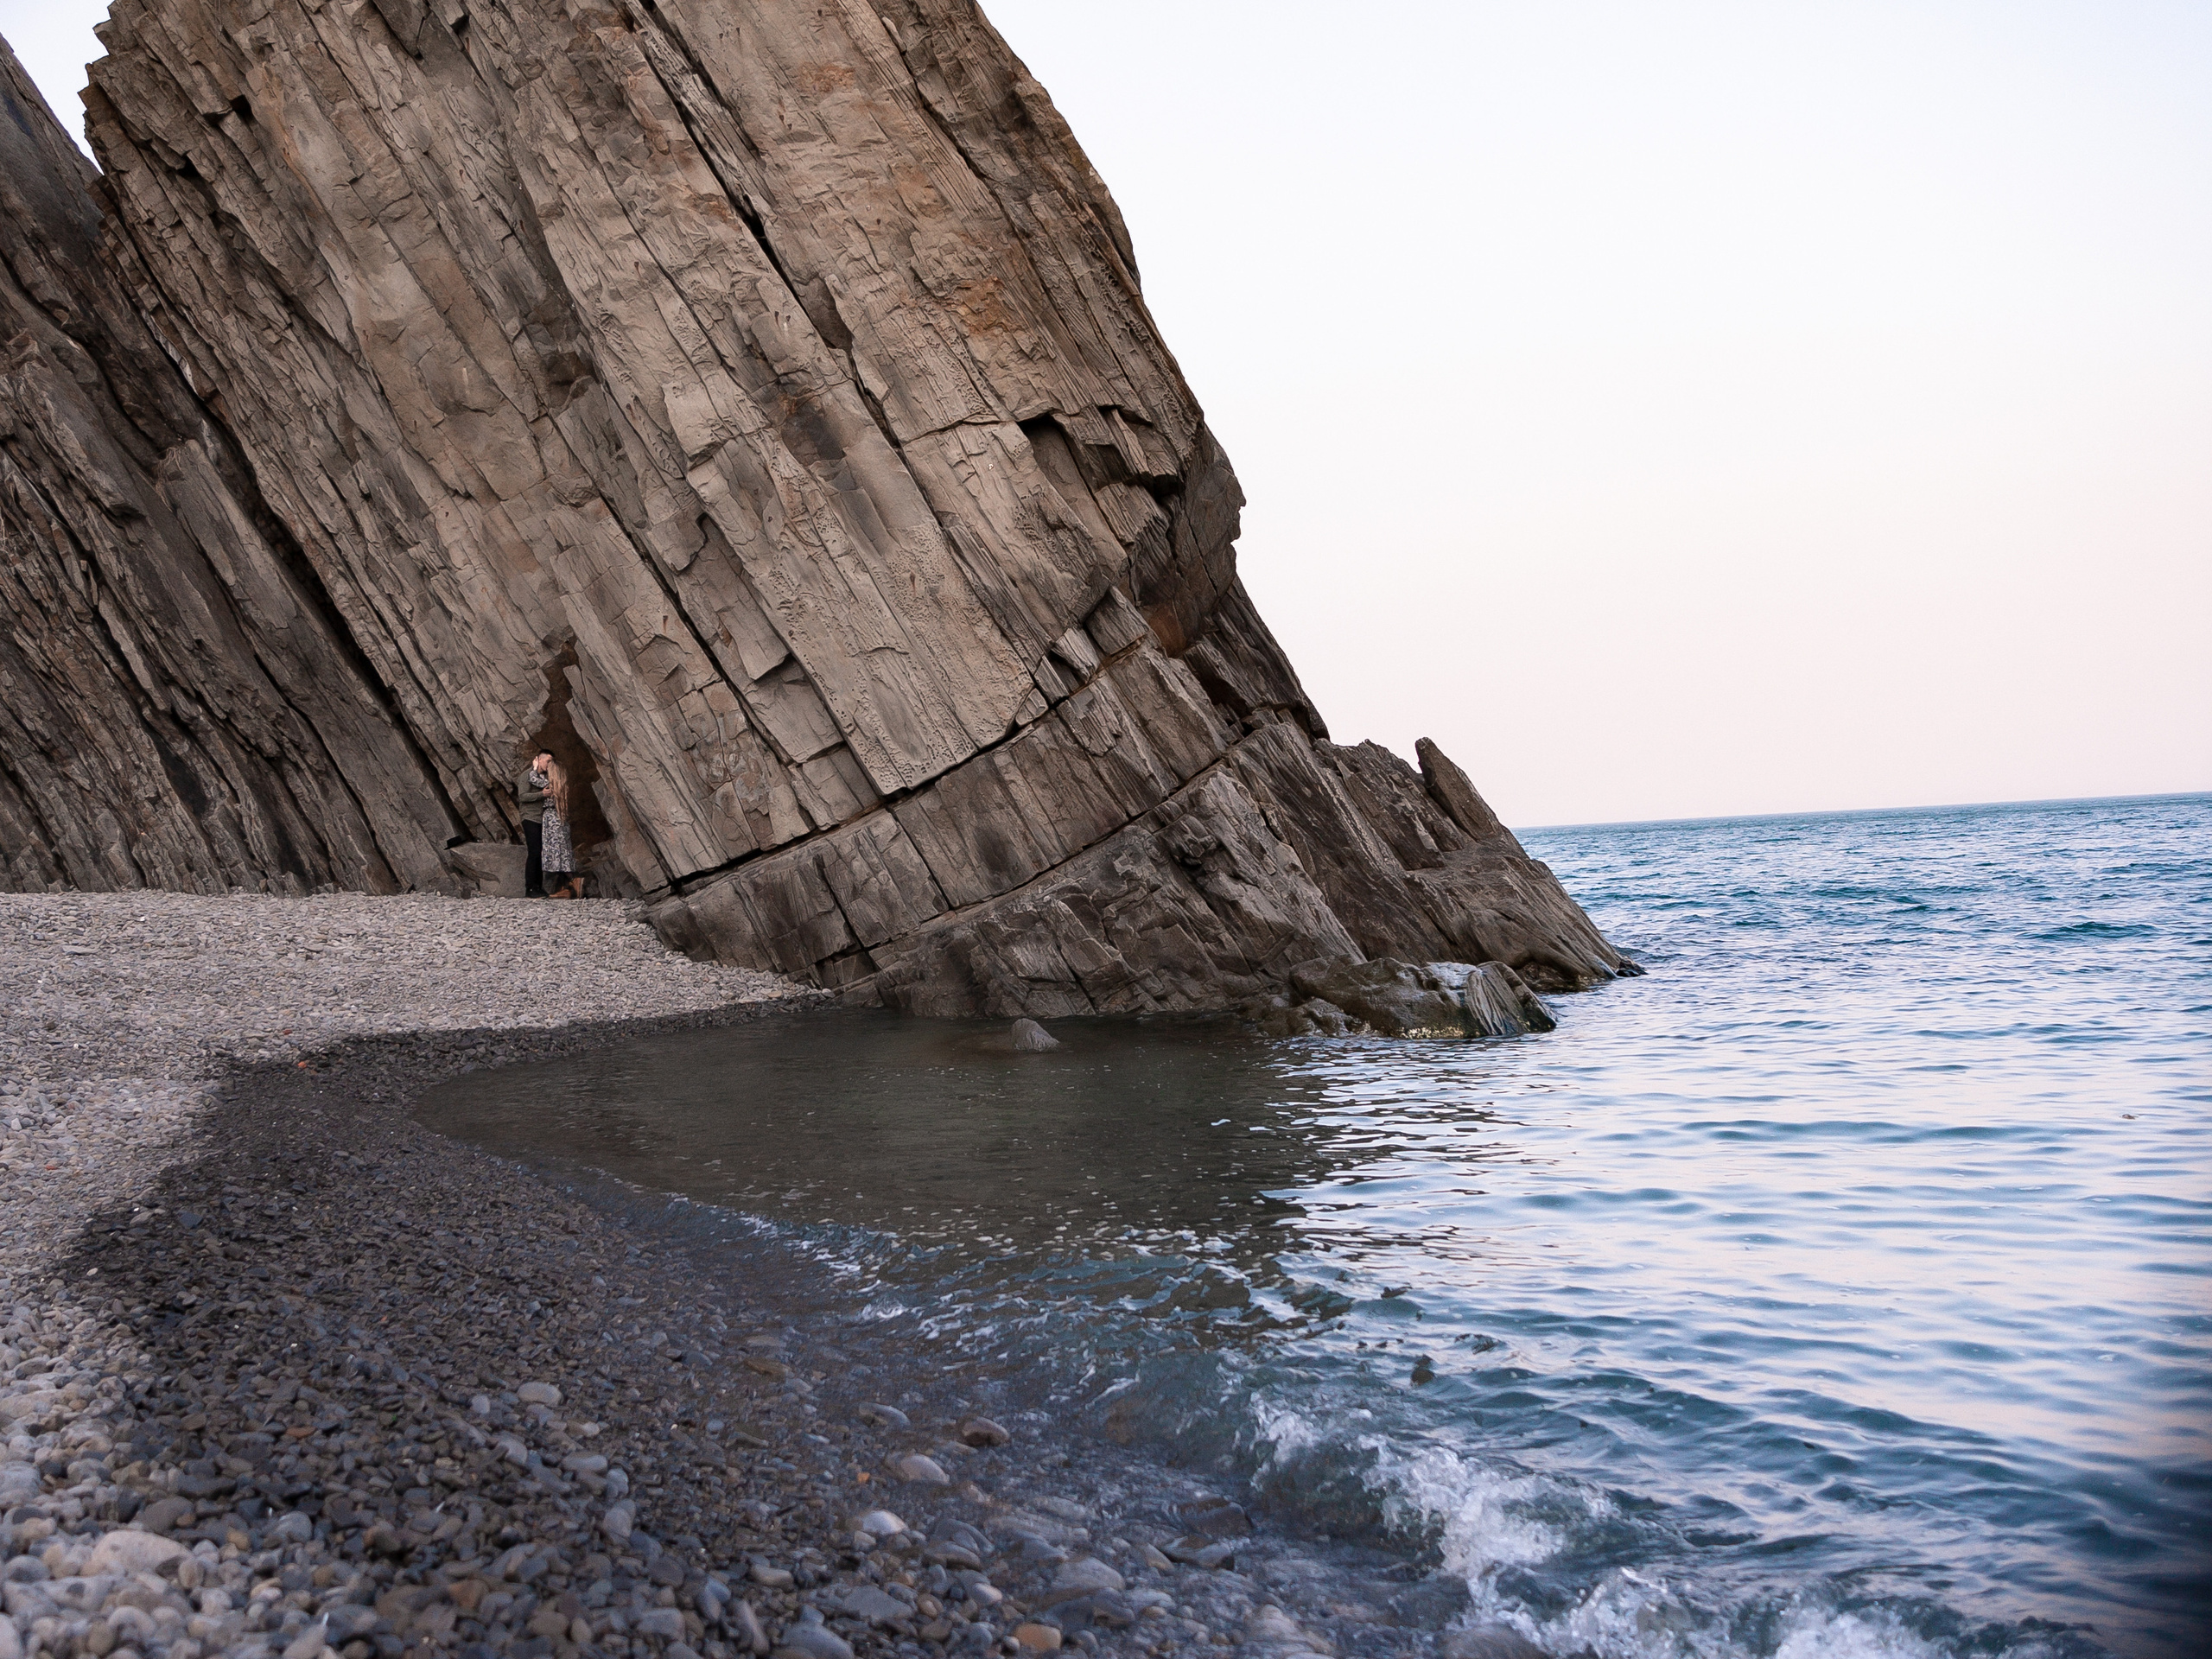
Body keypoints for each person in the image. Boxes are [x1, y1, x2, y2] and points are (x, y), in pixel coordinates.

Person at [542, 759, 582, 899]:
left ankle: (572, 881)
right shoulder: (562, 786)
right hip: (561, 819)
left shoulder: (547, 787)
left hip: (551, 820)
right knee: (563, 852)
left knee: (553, 853)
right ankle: (567, 887)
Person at [517, 750, 551, 898]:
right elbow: (522, 796)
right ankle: (530, 887)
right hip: (530, 817)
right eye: (548, 761)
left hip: (542, 818)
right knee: (534, 851)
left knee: (540, 852)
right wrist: (541, 795)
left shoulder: (544, 778)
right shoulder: (527, 775)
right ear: (539, 759)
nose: (550, 764)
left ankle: (539, 886)